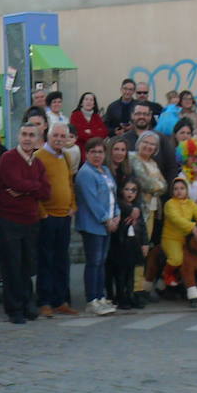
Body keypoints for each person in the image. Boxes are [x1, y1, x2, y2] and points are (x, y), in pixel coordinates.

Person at [0, 121, 49, 324]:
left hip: (31, 220)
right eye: (24, 134)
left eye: (31, 135)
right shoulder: (9, 158)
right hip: (9, 219)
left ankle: (28, 304)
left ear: (37, 139)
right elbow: (14, 182)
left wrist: (25, 190)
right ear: (19, 136)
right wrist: (31, 188)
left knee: (27, 266)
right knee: (12, 266)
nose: (27, 138)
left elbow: (46, 191)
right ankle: (14, 309)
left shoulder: (38, 163)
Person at [35, 122, 78, 316]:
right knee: (46, 260)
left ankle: (61, 300)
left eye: (63, 136)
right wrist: (42, 212)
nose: (59, 139)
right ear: (48, 135)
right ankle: (45, 301)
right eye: (56, 136)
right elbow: (35, 188)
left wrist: (73, 206)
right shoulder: (39, 157)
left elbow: (70, 182)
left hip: (64, 216)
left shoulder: (66, 157)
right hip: (48, 217)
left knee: (62, 260)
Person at [75, 138, 118, 315]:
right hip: (93, 225)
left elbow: (113, 195)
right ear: (87, 153)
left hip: (108, 223)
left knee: (102, 262)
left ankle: (101, 296)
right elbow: (91, 200)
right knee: (94, 262)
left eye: (100, 152)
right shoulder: (85, 173)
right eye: (93, 152)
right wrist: (106, 219)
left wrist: (117, 215)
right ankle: (92, 299)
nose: (97, 155)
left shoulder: (106, 170)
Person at [161, 178, 197, 307]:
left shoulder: (191, 203)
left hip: (187, 238)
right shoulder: (169, 204)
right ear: (172, 191)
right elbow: (176, 219)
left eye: (182, 188)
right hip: (172, 238)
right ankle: (167, 274)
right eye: (176, 189)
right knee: (176, 259)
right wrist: (192, 226)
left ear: (186, 190)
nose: (179, 191)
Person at [130, 131, 168, 300]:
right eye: (146, 142)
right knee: (137, 249)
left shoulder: (152, 162)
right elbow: (145, 182)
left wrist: (157, 186)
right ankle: (134, 288)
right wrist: (157, 186)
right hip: (138, 211)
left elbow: (165, 185)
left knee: (145, 250)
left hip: (151, 212)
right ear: (139, 143)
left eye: (153, 144)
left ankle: (141, 287)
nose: (149, 146)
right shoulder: (133, 159)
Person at [109, 180, 148, 310]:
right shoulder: (119, 208)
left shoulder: (138, 208)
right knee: (121, 273)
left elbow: (143, 227)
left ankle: (130, 295)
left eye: (133, 190)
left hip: (133, 243)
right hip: (121, 244)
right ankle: (121, 297)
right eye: (127, 189)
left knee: (131, 272)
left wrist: (144, 243)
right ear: (121, 191)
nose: (130, 193)